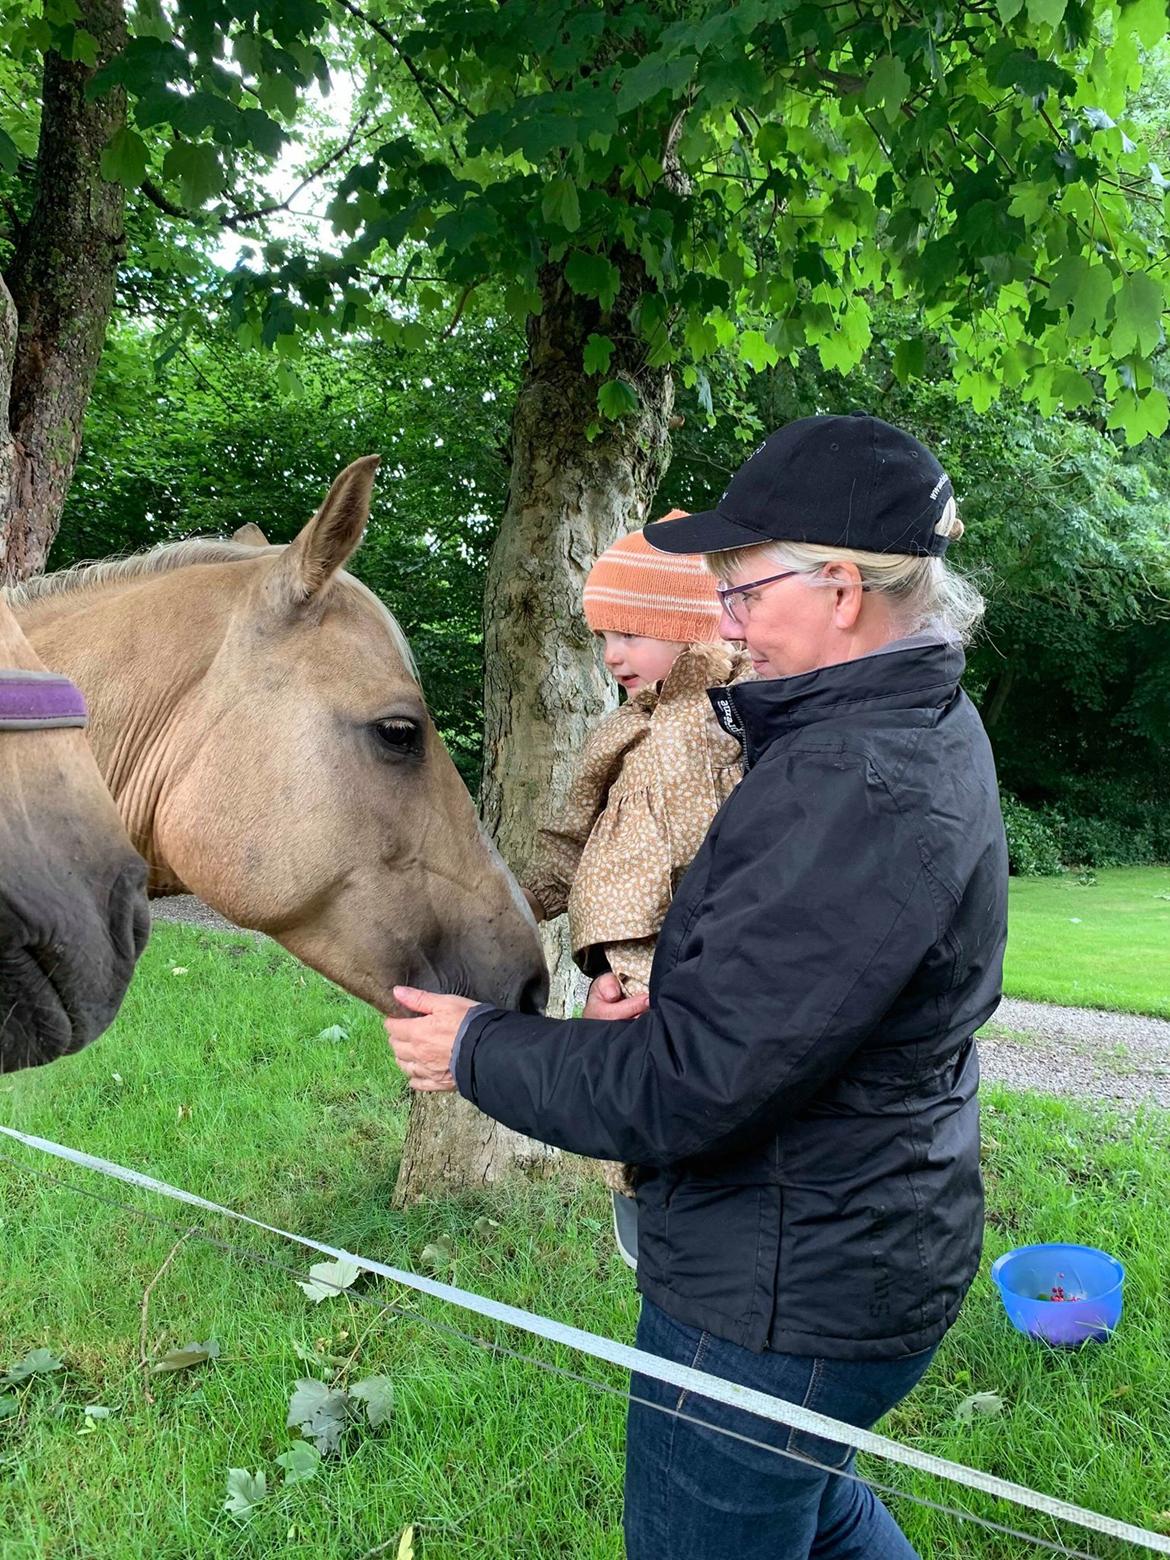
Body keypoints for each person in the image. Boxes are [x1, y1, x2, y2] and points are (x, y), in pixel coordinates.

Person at [385, 412, 1009, 1560]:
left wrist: (473, 1051)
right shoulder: (884, 727)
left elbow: (692, 1086)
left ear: (838, 588)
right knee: (814, 1507)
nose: (723, 625)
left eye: (742, 592)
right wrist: (660, 999)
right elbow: (784, 1005)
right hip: (841, 1251)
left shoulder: (859, 785)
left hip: (780, 1299)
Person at [521, 510, 752, 1264]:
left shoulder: (733, 722)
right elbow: (567, 841)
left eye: (631, 633)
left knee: (685, 1100)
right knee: (630, 1101)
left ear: (688, 625)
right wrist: (514, 907)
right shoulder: (625, 727)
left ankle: (682, 1213)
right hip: (619, 975)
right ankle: (648, 1204)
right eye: (603, 638)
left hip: (689, 969)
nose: (613, 655)